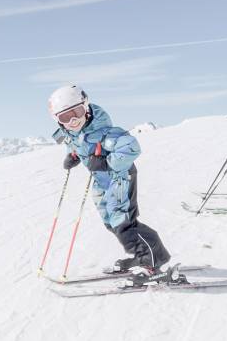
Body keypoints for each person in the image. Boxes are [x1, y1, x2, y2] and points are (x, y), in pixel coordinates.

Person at [49, 84, 172, 274]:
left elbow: (131, 148)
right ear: (58, 120)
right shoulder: (73, 134)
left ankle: (153, 260)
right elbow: (76, 145)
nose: (72, 120)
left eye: (77, 112)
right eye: (65, 117)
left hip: (120, 178)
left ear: (86, 107)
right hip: (101, 181)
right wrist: (73, 156)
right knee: (110, 221)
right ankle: (142, 255)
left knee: (122, 222)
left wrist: (106, 162)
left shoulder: (106, 132)